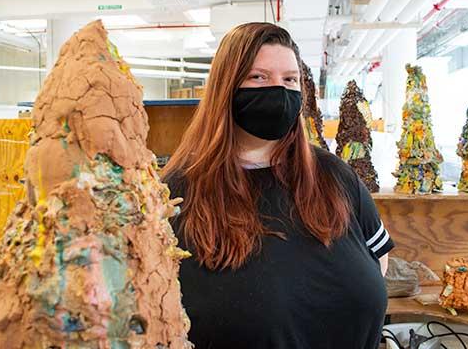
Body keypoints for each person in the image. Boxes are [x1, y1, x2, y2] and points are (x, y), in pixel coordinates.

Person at [163, 22, 394, 349]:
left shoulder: (334, 176)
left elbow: (377, 263)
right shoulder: (178, 193)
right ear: (226, 88)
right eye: (259, 77)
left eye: (290, 79)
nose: (279, 90)